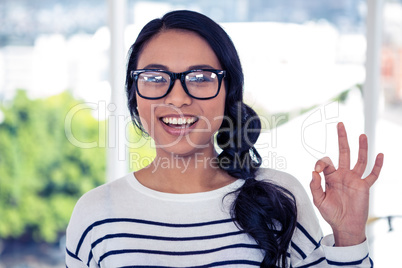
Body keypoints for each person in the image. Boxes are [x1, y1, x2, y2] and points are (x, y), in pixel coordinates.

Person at [65, 10, 384, 268]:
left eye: (201, 78)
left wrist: (348, 234)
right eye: (154, 78)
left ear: (228, 92)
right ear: (134, 95)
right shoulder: (95, 214)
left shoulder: (280, 199)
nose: (177, 98)